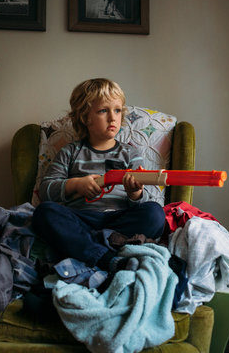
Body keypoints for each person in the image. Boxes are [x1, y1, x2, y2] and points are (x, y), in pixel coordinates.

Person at [32, 78, 165, 273]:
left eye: (117, 110)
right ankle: (105, 255)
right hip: (82, 219)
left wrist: (135, 194)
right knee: (44, 213)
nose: (113, 118)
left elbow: (145, 200)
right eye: (103, 111)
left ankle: (87, 247)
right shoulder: (70, 152)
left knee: (154, 213)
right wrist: (76, 185)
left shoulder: (131, 154)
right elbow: (46, 190)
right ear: (85, 118)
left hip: (119, 221)